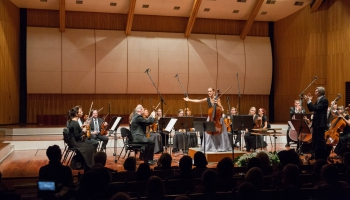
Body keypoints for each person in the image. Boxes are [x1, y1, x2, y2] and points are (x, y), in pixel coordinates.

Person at [184, 87, 232, 152]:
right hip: (210, 117)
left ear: (213, 92)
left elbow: (221, 108)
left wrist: (218, 104)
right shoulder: (207, 99)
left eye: (210, 91)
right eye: (208, 91)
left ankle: (220, 146)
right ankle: (210, 146)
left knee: (220, 134)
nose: (209, 92)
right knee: (208, 133)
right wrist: (189, 100)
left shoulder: (217, 98)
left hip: (218, 118)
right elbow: (199, 101)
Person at [304, 87, 328, 160]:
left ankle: (324, 156)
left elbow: (316, 108)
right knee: (315, 140)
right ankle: (314, 154)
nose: (315, 91)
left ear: (320, 92)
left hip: (320, 123)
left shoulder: (324, 100)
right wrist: (309, 101)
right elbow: (311, 109)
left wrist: (309, 101)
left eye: (316, 91)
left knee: (320, 140)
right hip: (316, 122)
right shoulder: (318, 100)